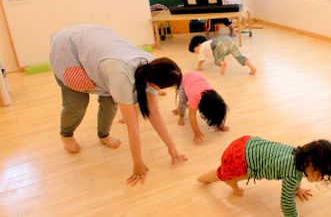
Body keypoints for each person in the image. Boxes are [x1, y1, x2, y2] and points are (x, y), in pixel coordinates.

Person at [50, 24, 187, 186]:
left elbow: (154, 113)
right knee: (77, 104)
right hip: (68, 48)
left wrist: (172, 148)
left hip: (99, 47)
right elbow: (132, 125)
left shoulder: (152, 67)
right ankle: (66, 134)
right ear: (156, 84)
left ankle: (103, 135)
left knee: (110, 103)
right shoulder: (122, 75)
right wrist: (137, 164)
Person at [197, 136, 331, 217]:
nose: (322, 178)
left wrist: (297, 189)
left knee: (224, 172)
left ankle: (224, 180)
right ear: (311, 166)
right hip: (241, 159)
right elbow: (286, 204)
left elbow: (298, 174)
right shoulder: (292, 173)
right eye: (322, 175)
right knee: (224, 175)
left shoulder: (298, 155)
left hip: (247, 143)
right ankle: (223, 184)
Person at [171, 72, 229, 144]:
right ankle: (180, 115)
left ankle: (180, 110)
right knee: (183, 103)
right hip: (184, 81)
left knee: (190, 104)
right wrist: (196, 132)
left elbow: (219, 111)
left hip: (196, 78)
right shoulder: (195, 98)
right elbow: (192, 116)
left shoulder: (215, 98)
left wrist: (220, 125)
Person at [188, 35, 257, 75]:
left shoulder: (202, 46)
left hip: (219, 45)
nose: (197, 52)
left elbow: (200, 61)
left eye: (195, 50)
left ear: (198, 44)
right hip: (228, 40)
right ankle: (252, 68)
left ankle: (222, 63)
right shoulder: (208, 43)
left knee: (218, 60)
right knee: (239, 56)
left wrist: (199, 68)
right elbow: (212, 54)